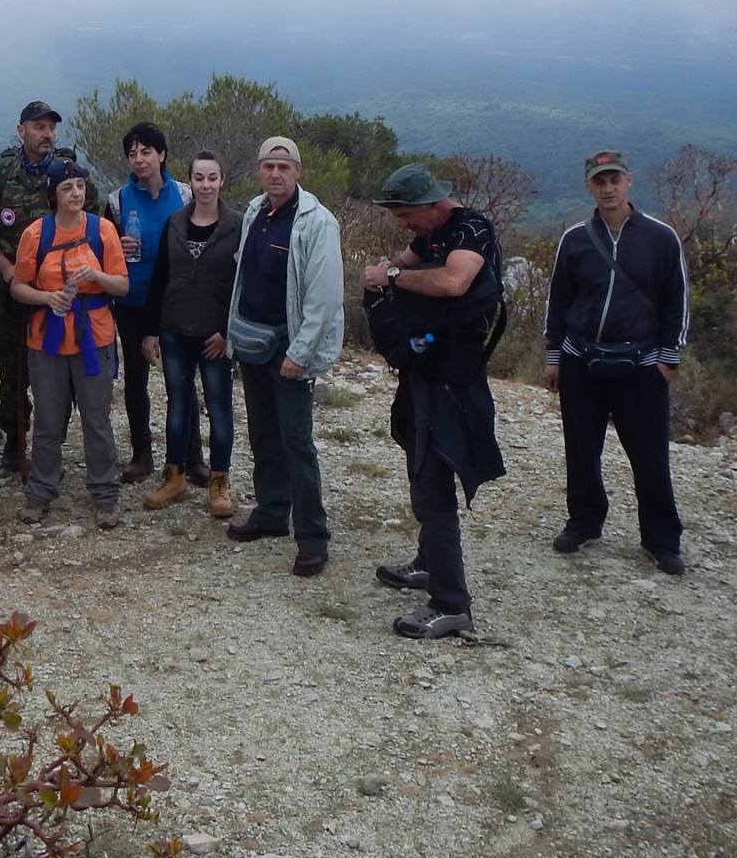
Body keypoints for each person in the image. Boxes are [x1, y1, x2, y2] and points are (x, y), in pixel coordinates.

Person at [362, 164, 506, 637]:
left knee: (434, 481)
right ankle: (430, 562)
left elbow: (452, 283)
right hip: (424, 371)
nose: (404, 225)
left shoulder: (471, 229)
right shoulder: (432, 233)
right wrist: (385, 273)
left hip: (451, 380)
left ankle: (451, 603)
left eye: (406, 215)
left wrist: (392, 277)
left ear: (432, 204)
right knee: (419, 463)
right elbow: (400, 262)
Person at [542, 150, 691, 574]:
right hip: (581, 359)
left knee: (649, 456)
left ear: (629, 182)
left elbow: (677, 297)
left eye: (614, 180)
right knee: (581, 449)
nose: (608, 188)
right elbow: (559, 299)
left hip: (641, 363)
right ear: (588, 186)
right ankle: (584, 522)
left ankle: (662, 540)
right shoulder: (575, 239)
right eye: (599, 181)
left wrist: (667, 359)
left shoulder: (661, 237)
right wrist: (554, 356)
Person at [224, 136, 343, 576]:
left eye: (284, 166)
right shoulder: (255, 212)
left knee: (296, 442)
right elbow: (243, 275)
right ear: (259, 170)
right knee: (263, 435)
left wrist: (301, 352)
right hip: (254, 342)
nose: (275, 174)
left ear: (298, 171)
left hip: (290, 348)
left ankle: (312, 537)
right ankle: (272, 513)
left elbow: (324, 296)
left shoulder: (317, 222)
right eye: (268, 166)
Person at [0, 102, 102, 476]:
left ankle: (51, 447)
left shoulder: (69, 173)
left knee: (58, 371)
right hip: (12, 290)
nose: (46, 134)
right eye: (38, 127)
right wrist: (5, 267)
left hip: (61, 294)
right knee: (12, 366)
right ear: (21, 131)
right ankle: (15, 441)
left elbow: (94, 226)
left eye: (51, 127)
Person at [10, 162, 130, 528]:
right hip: (47, 338)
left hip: (94, 336)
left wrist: (96, 276)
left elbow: (122, 285)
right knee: (47, 419)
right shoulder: (36, 234)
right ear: (54, 195)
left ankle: (105, 495)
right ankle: (40, 492)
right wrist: (47, 298)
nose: (76, 193)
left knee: (96, 418)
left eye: (79, 185)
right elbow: (18, 287)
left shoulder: (102, 230)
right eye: (67, 188)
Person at [140, 149, 241, 517]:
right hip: (176, 329)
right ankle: (175, 477)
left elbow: (244, 284)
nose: (205, 185)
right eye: (199, 178)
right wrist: (151, 330)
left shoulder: (238, 225)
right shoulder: (175, 223)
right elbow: (160, 277)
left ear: (222, 180)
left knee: (219, 407)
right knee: (178, 404)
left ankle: (219, 482)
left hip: (216, 335)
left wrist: (228, 332)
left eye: (212, 177)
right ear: (190, 181)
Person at [107, 122, 191, 483]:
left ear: (162, 154)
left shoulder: (185, 195)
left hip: (177, 301)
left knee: (180, 380)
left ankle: (190, 456)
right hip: (133, 301)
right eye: (132, 153)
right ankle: (141, 454)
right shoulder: (118, 200)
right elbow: (103, 248)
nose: (139, 159)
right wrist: (116, 245)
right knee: (136, 381)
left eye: (146, 152)